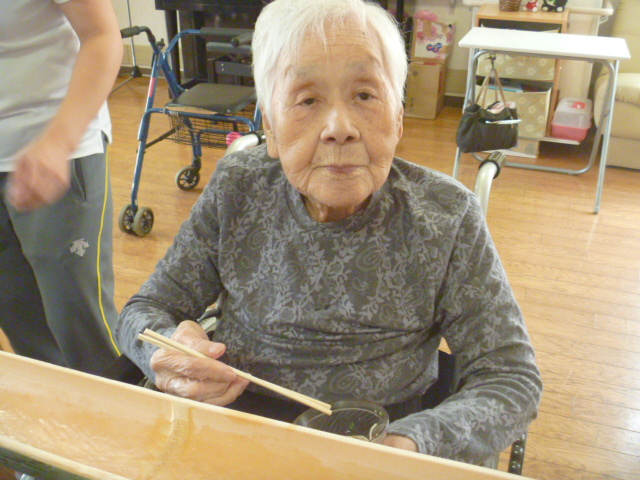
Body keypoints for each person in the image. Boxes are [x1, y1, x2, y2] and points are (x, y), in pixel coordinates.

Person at [116, 0, 542, 465]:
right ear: (270, 125)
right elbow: (146, 310)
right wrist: (166, 353)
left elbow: (510, 378)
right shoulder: (239, 187)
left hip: (380, 441)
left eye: (365, 95)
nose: (340, 129)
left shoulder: (446, 215)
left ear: (398, 117)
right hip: (242, 427)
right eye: (307, 100)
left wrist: (412, 442)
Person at [0, 0, 123, 376]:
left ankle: (119, 410)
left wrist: (57, 142)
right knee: (20, 319)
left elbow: (101, 36)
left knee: (80, 328)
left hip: (54, 149)